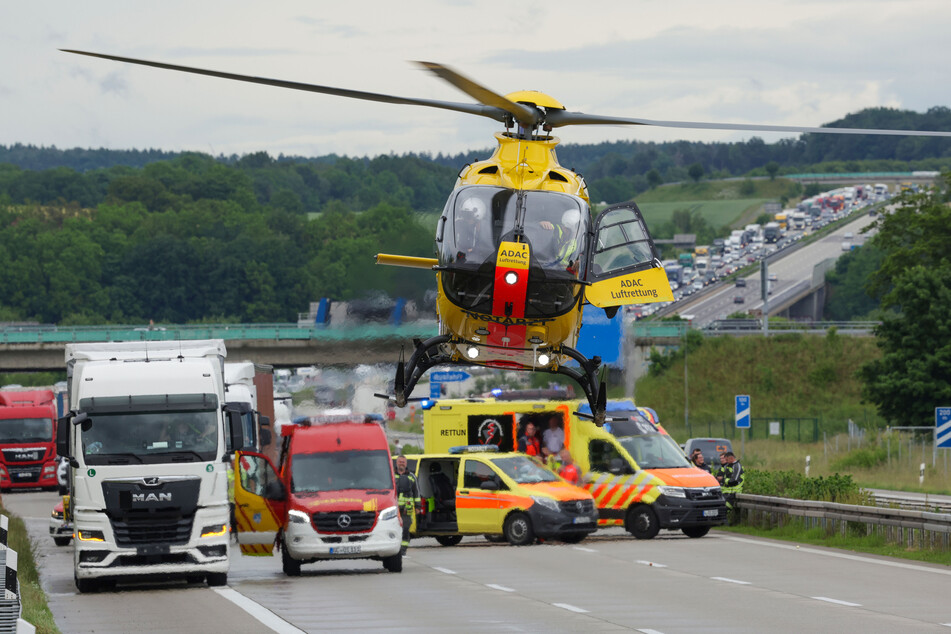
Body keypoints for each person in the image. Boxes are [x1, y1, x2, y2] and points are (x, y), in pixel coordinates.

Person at [394, 454, 420, 555]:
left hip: (406, 509)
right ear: (396, 463)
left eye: (403, 462)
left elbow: (416, 492)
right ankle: (395, 549)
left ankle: (403, 550)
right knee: (395, 529)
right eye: (400, 462)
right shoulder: (391, 475)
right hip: (394, 509)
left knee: (405, 529)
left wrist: (417, 507)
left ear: (406, 463)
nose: (402, 463)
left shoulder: (412, 476)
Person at [454, 196, 488, 262]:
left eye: (468, 215)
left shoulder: (485, 231)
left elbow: (485, 249)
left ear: (478, 215)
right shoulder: (458, 224)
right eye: (464, 214)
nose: (464, 218)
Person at [717, 452, 744, 520]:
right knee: (720, 507)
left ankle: (724, 522)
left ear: (731, 458)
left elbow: (734, 480)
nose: (726, 462)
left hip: (734, 492)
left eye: (727, 460)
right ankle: (722, 522)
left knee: (725, 508)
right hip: (727, 492)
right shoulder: (728, 466)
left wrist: (723, 480)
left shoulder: (737, 466)